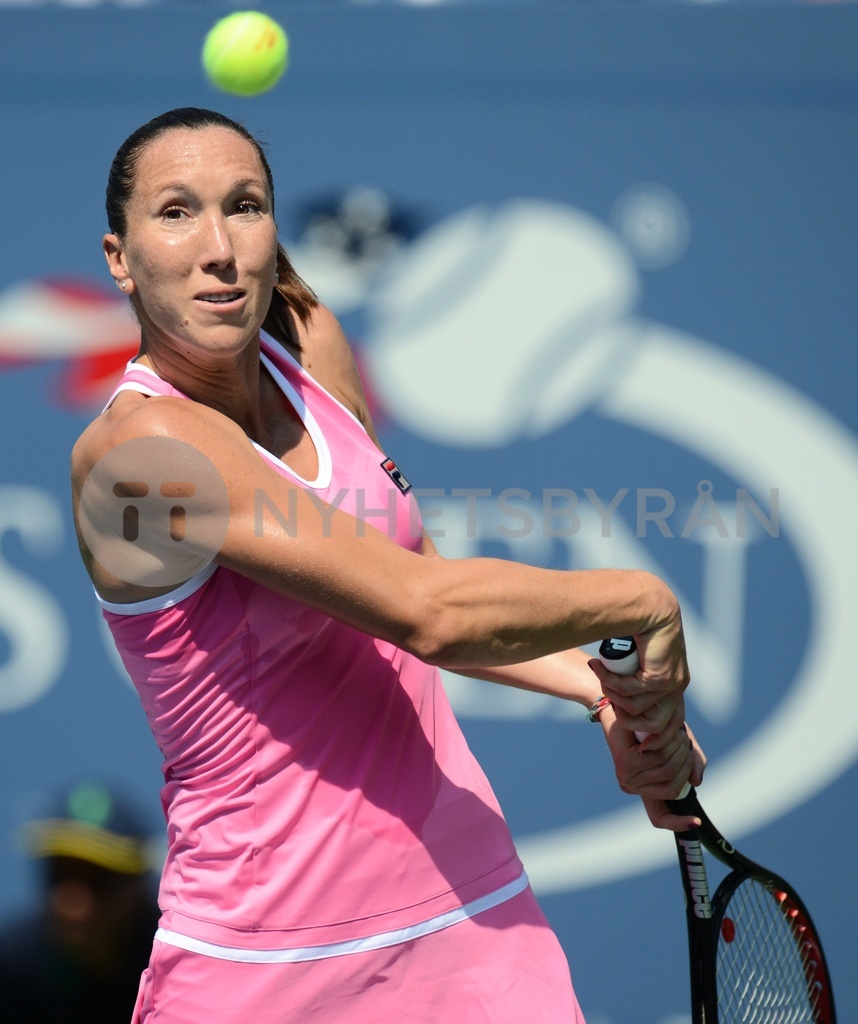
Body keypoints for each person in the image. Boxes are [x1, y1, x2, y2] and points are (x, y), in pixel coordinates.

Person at [70, 107, 706, 1023]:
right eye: (176, 213)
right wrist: (642, 603)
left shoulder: (312, 348)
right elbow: (427, 609)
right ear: (119, 257)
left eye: (244, 207)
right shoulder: (141, 451)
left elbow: (410, 581)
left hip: (473, 919)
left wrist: (597, 691)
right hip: (264, 967)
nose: (218, 245)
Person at [0, 780, 161, 1024]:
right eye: (59, 876)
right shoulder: (12, 968)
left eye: (99, 881)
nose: (73, 905)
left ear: (138, 883)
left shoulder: (182, 961)